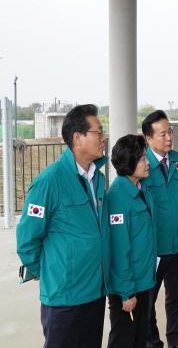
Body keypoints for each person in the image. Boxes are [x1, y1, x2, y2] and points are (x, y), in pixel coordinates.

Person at [16, 104, 110, 348]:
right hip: (65, 298)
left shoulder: (97, 178)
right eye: (98, 133)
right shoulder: (50, 181)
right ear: (78, 138)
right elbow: (27, 240)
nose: (104, 138)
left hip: (95, 292)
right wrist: (49, 272)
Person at [141, 110, 178, 348]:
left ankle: (175, 342)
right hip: (153, 248)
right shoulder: (141, 166)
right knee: (148, 301)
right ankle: (152, 342)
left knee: (176, 300)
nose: (169, 137)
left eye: (170, 131)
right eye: (163, 134)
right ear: (148, 139)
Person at [106, 134, 157, 348]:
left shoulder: (141, 188)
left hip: (144, 280)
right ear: (129, 162)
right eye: (143, 158)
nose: (148, 163)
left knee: (139, 337)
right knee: (123, 339)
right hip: (128, 287)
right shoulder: (118, 197)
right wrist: (127, 292)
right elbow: (119, 249)